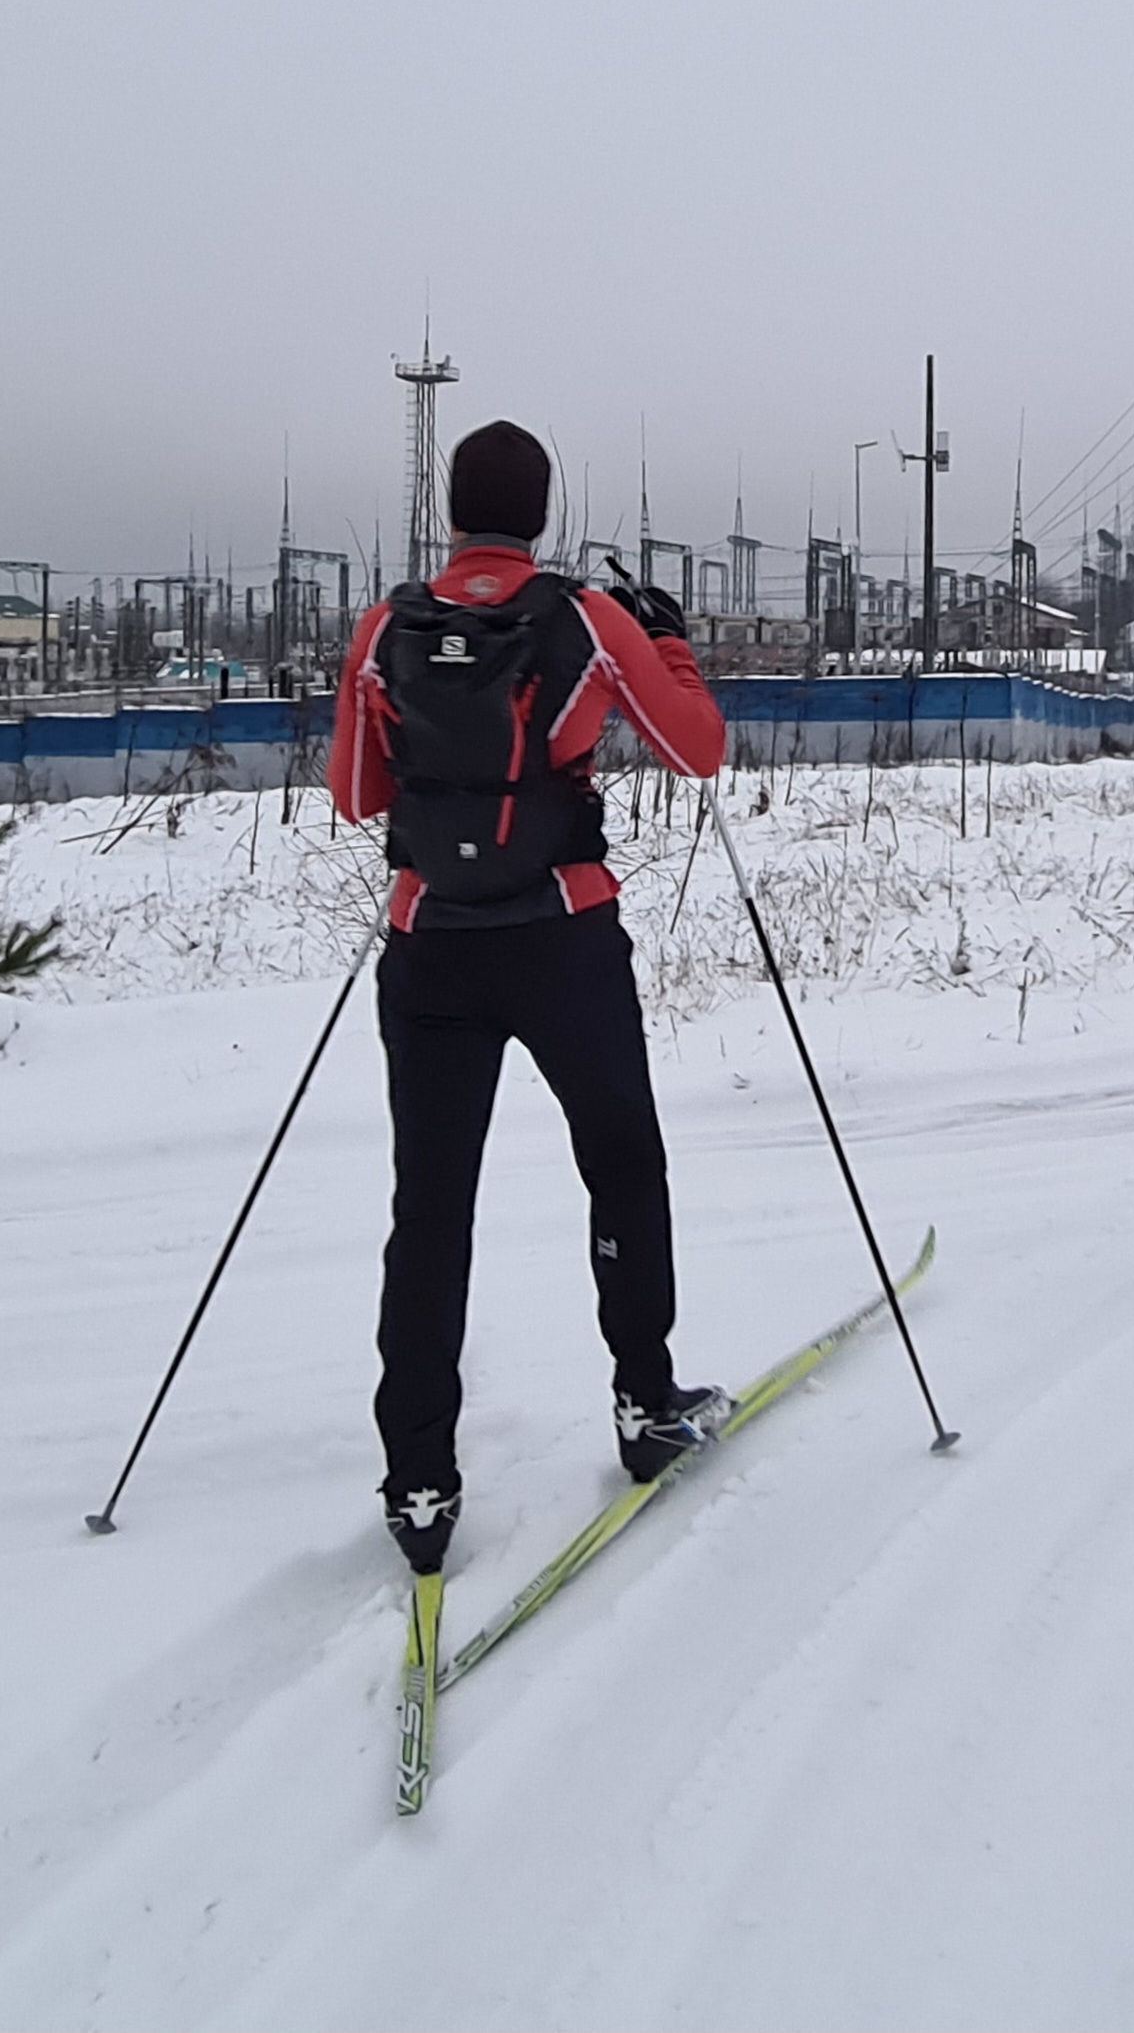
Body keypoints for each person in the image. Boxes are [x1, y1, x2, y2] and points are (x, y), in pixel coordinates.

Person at [329, 418, 734, 1578]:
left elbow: (355, 791)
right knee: (621, 1163)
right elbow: (695, 750)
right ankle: (646, 1404)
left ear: (451, 512)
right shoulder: (585, 617)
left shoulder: (386, 627)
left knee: (430, 1207)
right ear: (542, 512)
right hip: (563, 936)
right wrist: (671, 647)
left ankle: (419, 1478)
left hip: (431, 947)